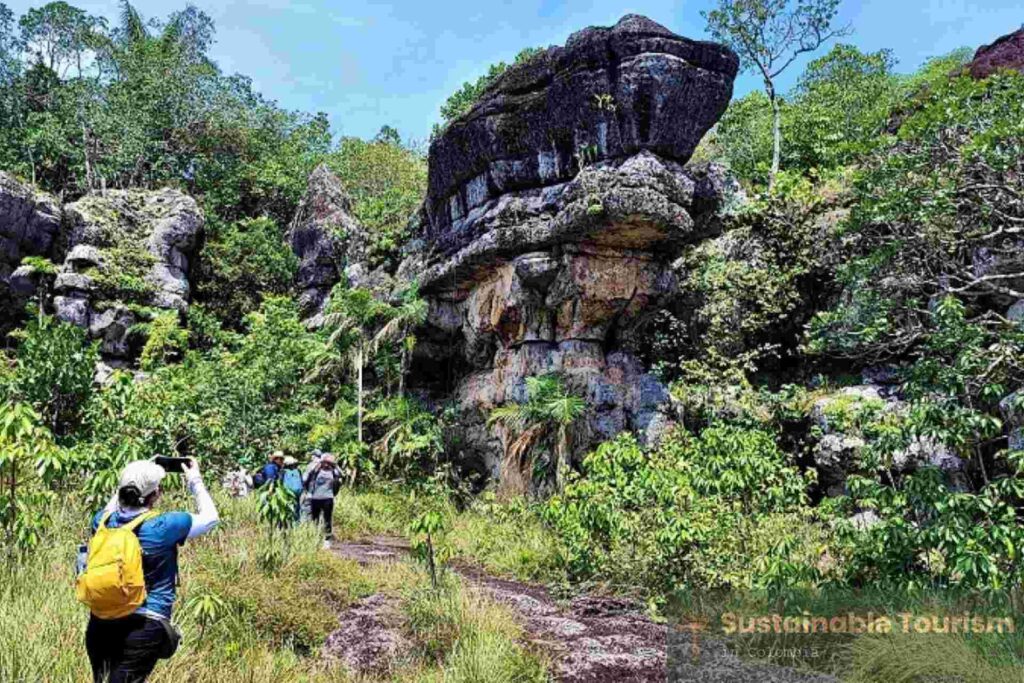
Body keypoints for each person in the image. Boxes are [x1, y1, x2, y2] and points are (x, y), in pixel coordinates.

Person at [83, 458, 219, 682]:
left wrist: (137, 471)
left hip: (101, 621)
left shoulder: (101, 521)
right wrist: (195, 480)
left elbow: (112, 506)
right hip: (146, 624)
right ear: (155, 494)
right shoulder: (163, 526)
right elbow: (211, 518)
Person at [305, 452, 341, 545]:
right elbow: (306, 478)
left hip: (328, 498)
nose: (326, 464)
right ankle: (315, 536)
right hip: (315, 498)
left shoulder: (333, 471)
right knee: (315, 519)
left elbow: (341, 476)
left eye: (328, 462)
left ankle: (327, 539)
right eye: (325, 462)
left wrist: (335, 465)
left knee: (327, 519)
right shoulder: (316, 470)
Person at [281, 456, 304, 521]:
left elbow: (280, 482)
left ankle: (289, 523)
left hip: (288, 493)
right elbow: (302, 482)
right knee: (297, 507)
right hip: (297, 493)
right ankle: (297, 523)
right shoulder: (298, 471)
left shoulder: (283, 471)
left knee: (288, 508)